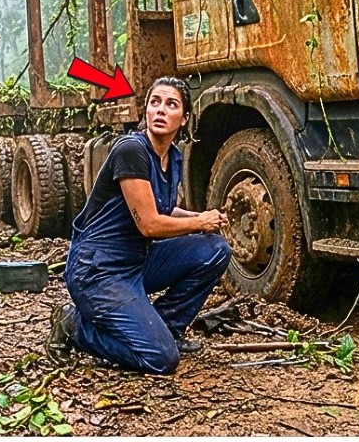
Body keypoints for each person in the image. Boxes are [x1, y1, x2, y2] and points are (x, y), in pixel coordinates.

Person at [46, 77, 232, 374]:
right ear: (145, 111)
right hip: (99, 270)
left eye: (171, 104)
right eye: (154, 102)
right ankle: (74, 325)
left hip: (137, 262)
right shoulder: (131, 150)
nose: (160, 110)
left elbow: (162, 208)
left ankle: (168, 327)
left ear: (184, 118)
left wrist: (203, 218)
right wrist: (198, 221)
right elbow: (149, 224)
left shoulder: (172, 158)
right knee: (161, 360)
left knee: (215, 249)